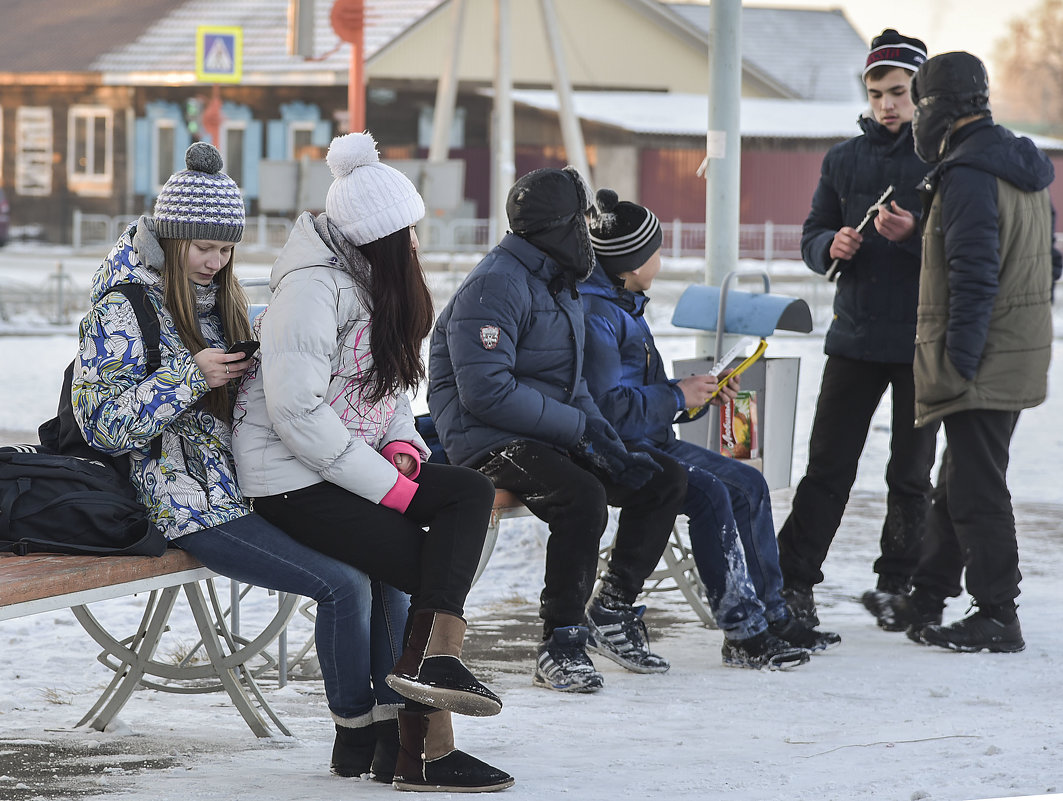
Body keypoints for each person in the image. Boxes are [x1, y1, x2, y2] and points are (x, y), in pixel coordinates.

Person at [71, 143, 415, 785]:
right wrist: (188, 376)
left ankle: (398, 729)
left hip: (250, 484)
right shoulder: (122, 307)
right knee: (342, 584)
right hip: (178, 500)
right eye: (201, 246)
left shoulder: (227, 300)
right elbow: (100, 425)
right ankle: (354, 735)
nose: (214, 260)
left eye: (225, 248)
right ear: (172, 238)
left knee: (383, 564)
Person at [230, 132, 512, 791]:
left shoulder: (368, 284)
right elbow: (296, 413)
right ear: (380, 238)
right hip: (290, 479)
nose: (417, 243)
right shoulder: (310, 291)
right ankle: (419, 746)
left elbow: (384, 390)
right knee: (419, 566)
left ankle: (422, 696)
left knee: (466, 492)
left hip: (345, 465)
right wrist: (386, 487)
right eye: (409, 233)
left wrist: (402, 449)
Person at [428, 166, 687, 693]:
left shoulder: (556, 278)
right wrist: (576, 429)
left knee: (659, 479)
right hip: (485, 439)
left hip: (543, 431)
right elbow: (486, 392)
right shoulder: (495, 284)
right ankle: (561, 641)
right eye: (582, 221)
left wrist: (601, 435)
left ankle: (612, 610)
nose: (590, 234)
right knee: (581, 495)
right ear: (559, 226)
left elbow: (569, 383)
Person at [580, 188, 841, 670]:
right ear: (633, 263)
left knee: (750, 483)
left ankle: (770, 614)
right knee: (718, 493)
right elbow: (607, 409)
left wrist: (693, 394)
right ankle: (743, 631)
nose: (662, 256)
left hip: (651, 438)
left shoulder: (623, 303)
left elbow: (643, 392)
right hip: (625, 450)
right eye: (656, 250)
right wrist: (678, 396)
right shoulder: (601, 315)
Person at [877, 51, 1059, 652]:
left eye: (921, 103)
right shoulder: (1016, 163)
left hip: (982, 356)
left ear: (942, 109)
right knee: (956, 483)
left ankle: (997, 614)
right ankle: (928, 595)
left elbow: (975, 274)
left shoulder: (969, 174)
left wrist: (959, 359)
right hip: (1013, 347)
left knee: (978, 488)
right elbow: (1047, 260)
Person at [775, 29, 940, 628]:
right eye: (876, 94)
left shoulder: (944, 157)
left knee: (910, 472)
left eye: (898, 92)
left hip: (923, 342)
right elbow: (811, 234)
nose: (887, 105)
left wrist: (914, 236)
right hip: (853, 338)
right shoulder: (843, 159)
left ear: (920, 93)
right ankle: (794, 581)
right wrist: (830, 243)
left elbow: (969, 250)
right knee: (827, 468)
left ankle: (898, 584)